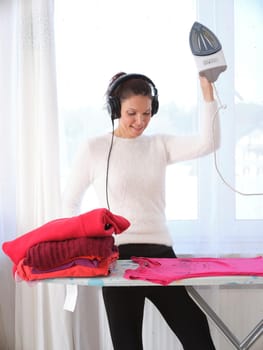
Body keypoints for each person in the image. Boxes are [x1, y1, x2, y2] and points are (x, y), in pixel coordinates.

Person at [62, 72, 220, 350]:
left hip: (161, 256)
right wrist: (81, 245)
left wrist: (208, 92)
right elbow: (69, 202)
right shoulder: (95, 148)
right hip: (118, 259)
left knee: (195, 330)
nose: (140, 121)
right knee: (127, 343)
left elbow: (209, 143)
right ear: (114, 109)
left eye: (147, 113)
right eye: (132, 113)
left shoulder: (158, 145)